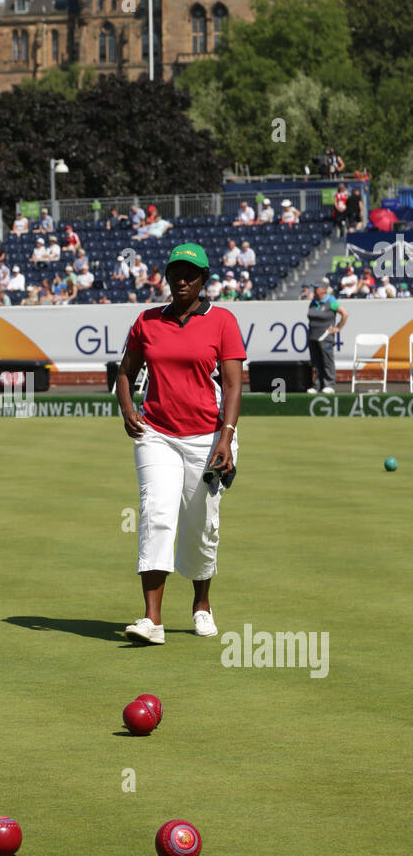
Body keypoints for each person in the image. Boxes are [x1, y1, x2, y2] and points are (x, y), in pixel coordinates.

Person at [116, 242, 245, 645]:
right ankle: (151, 620)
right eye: (176, 272)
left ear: (204, 280)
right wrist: (127, 409)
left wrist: (227, 436)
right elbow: (125, 372)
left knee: (201, 526)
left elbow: (233, 384)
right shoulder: (147, 321)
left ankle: (201, 605)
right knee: (156, 513)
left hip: (208, 437)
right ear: (167, 277)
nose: (182, 279)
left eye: (191, 274)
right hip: (157, 434)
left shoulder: (222, 321)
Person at [306, 283, 348, 394]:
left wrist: (337, 328)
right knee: (316, 362)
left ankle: (329, 384)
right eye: (314, 288)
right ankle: (317, 385)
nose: (314, 290)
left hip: (325, 336)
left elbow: (344, 314)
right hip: (313, 336)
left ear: (323, 289)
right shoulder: (313, 302)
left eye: (317, 288)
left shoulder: (331, 301)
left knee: (327, 360)